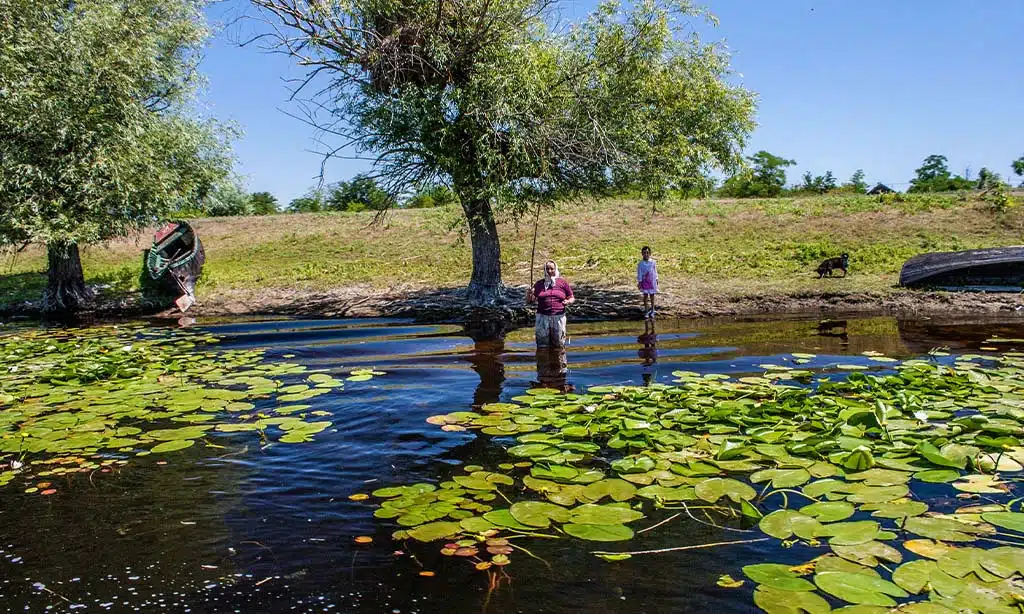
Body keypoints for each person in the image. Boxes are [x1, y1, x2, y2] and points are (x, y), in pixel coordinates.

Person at [526, 260, 575, 348]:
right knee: (542, 345)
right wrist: (529, 293)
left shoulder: (562, 283)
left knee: (559, 344)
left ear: (556, 269)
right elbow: (530, 301)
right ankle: (543, 361)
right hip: (542, 317)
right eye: (547, 269)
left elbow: (571, 297)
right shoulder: (539, 284)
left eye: (552, 269)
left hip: (558, 317)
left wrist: (568, 301)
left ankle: (559, 361)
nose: (549, 271)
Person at [637, 246, 658, 318]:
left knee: (652, 295)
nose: (646, 254)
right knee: (645, 296)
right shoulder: (640, 264)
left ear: (650, 253)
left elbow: (655, 271)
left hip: (652, 281)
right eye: (644, 253)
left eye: (647, 253)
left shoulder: (653, 262)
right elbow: (639, 273)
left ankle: (652, 309)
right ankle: (646, 310)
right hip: (644, 281)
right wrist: (639, 282)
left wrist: (657, 279)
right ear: (642, 254)